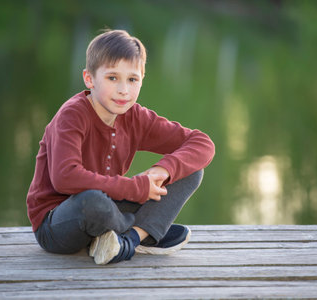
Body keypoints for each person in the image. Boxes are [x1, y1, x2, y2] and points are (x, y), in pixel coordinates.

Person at [26, 29, 215, 265]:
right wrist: (136, 188)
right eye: (112, 78)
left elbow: (202, 143)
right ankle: (148, 233)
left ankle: (131, 239)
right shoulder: (72, 116)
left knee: (191, 169)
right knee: (93, 201)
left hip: (109, 206)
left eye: (132, 79)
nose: (123, 90)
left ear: (142, 79)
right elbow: (65, 178)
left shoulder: (136, 117)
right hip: (58, 222)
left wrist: (164, 170)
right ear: (89, 78)